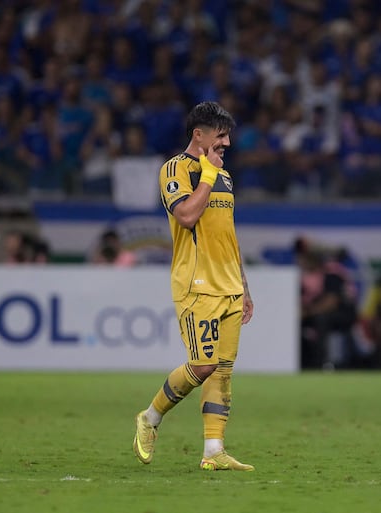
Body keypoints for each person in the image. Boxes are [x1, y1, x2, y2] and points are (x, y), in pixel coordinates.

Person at [133, 101, 255, 472]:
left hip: (230, 285)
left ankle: (213, 450)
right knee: (202, 365)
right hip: (197, 285)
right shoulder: (175, 169)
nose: (228, 144)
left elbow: (227, 235)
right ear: (198, 135)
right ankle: (150, 418)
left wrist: (245, 287)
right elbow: (186, 216)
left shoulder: (226, 176)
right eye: (221, 136)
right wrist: (206, 175)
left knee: (222, 371)